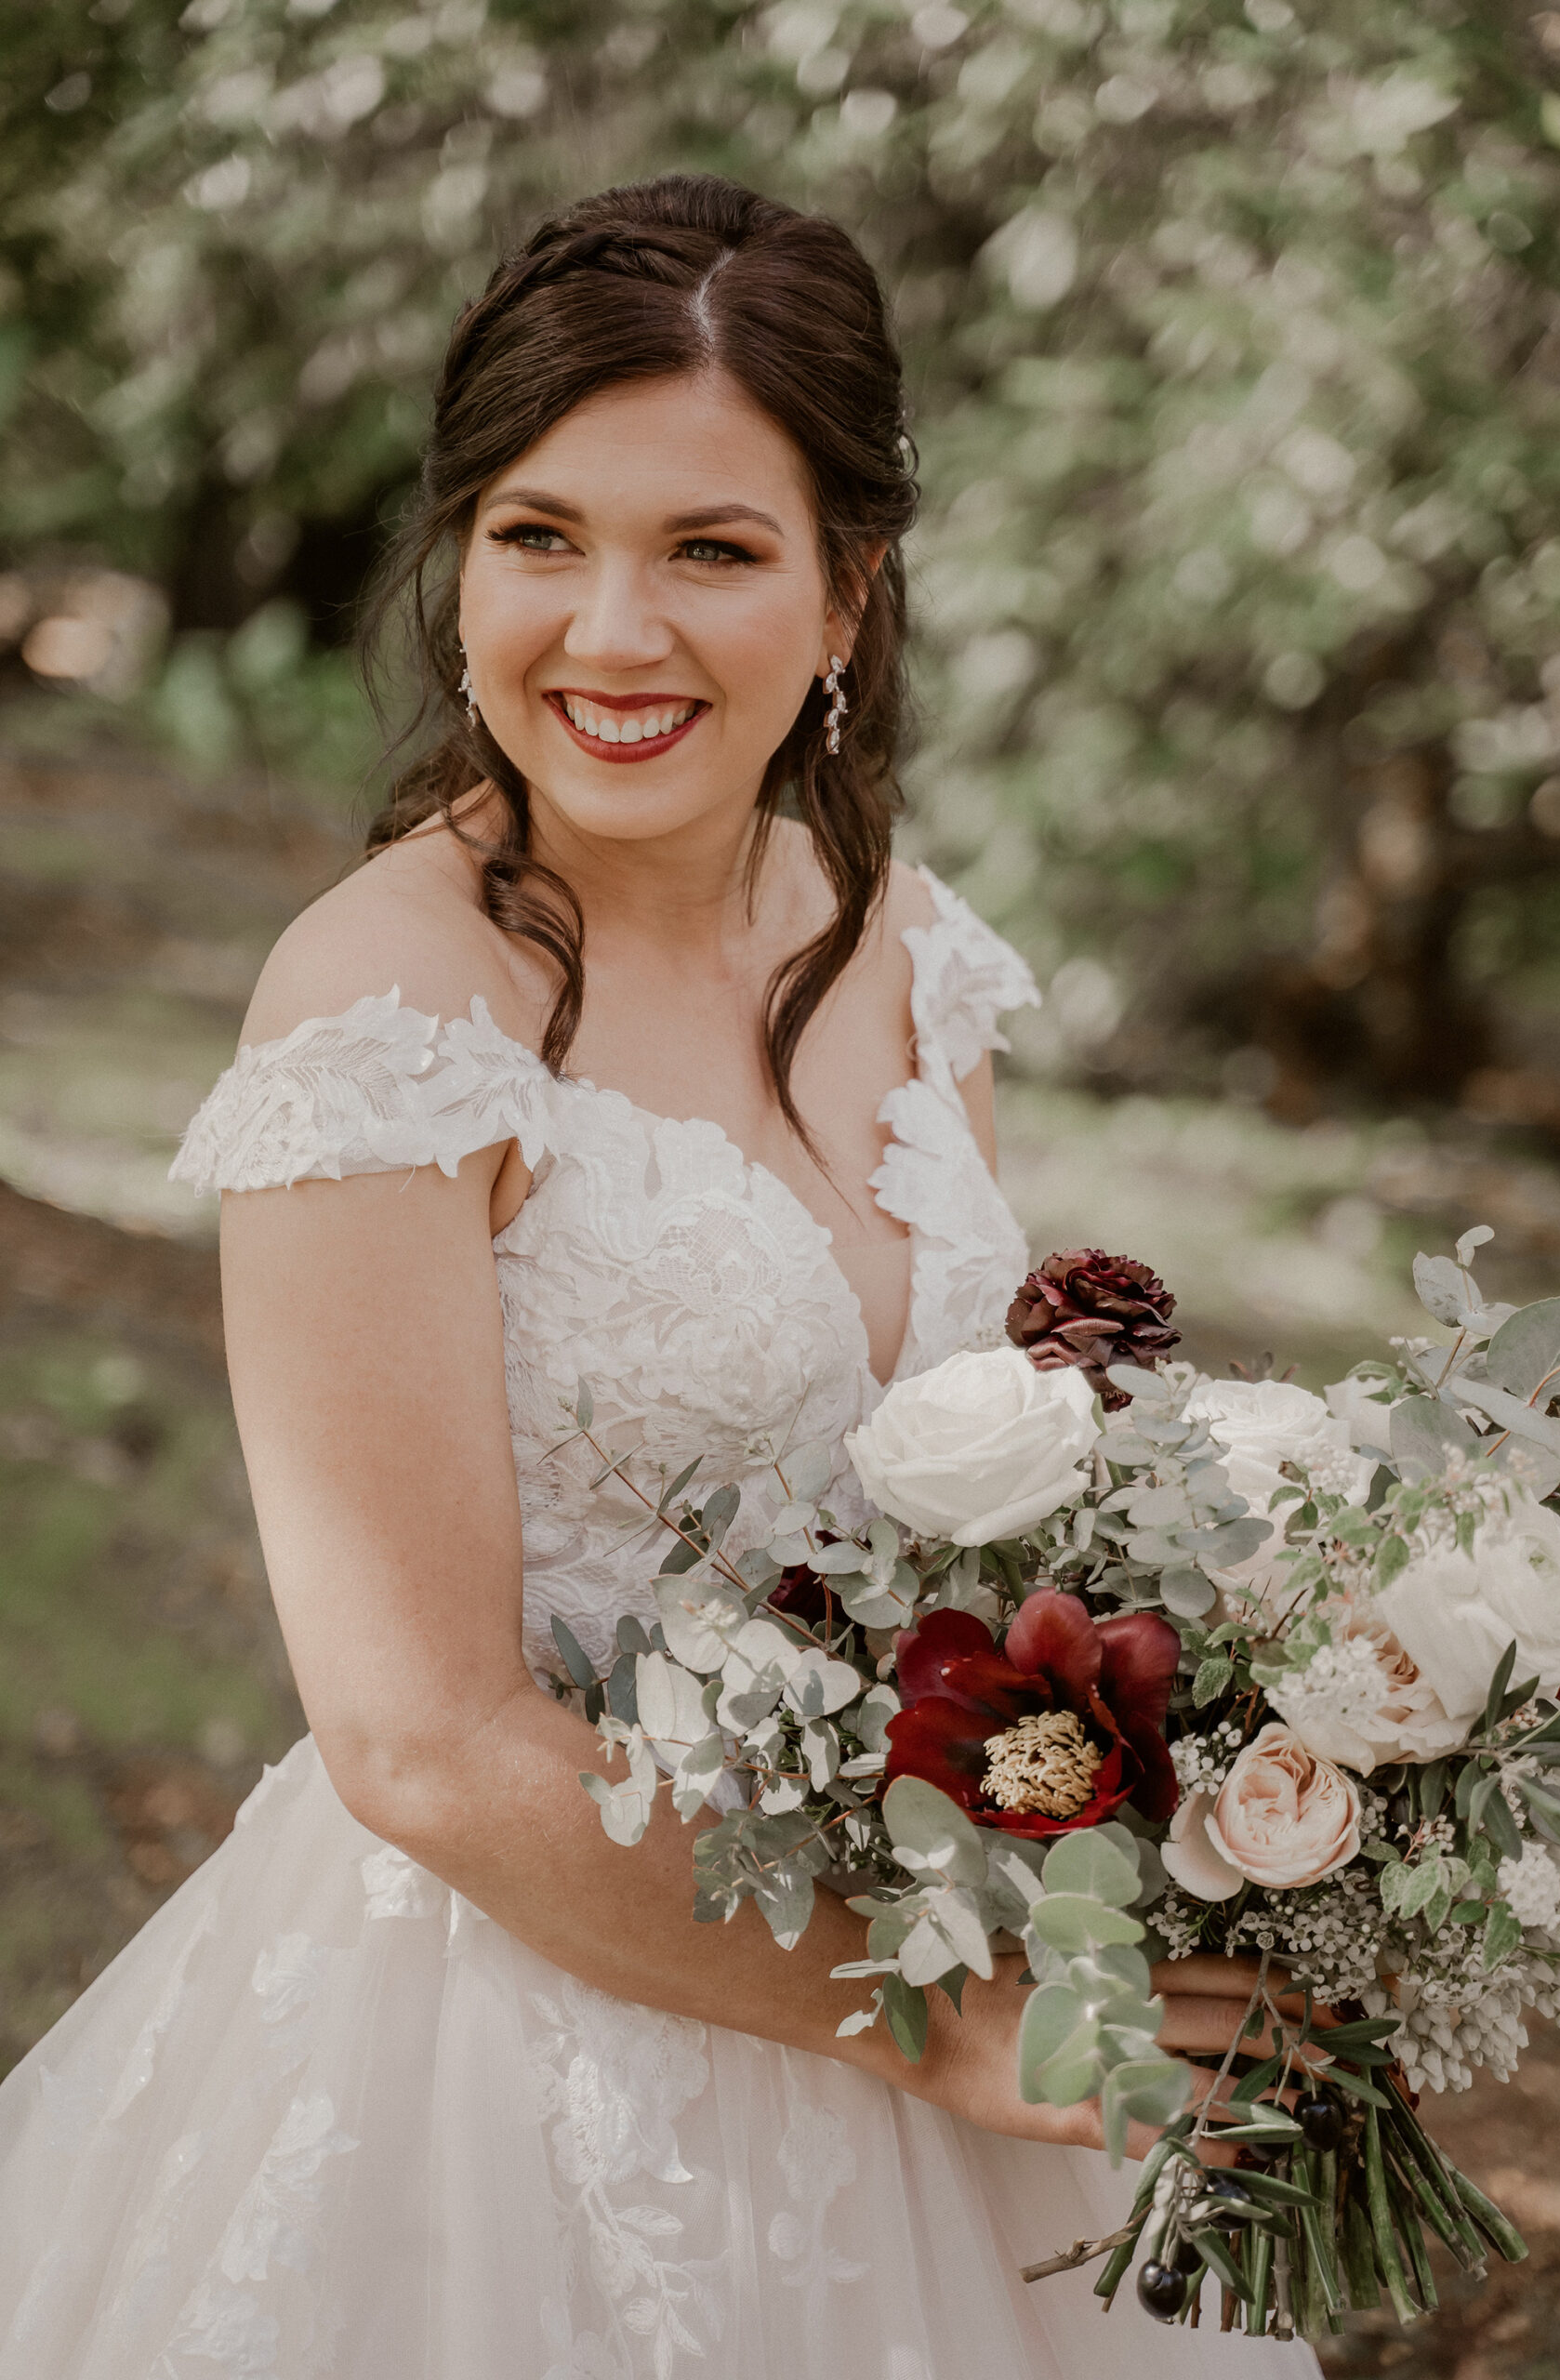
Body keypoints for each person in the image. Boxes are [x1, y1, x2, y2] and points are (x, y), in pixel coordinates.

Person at [0, 175, 1315, 2378]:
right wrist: (929, 2023)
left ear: (843, 589)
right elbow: (419, 1737)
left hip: (951, 1992)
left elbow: (990, 1508)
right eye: (538, 536)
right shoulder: (381, 1019)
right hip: (514, 2052)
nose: (609, 634)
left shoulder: (897, 941)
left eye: (707, 548)